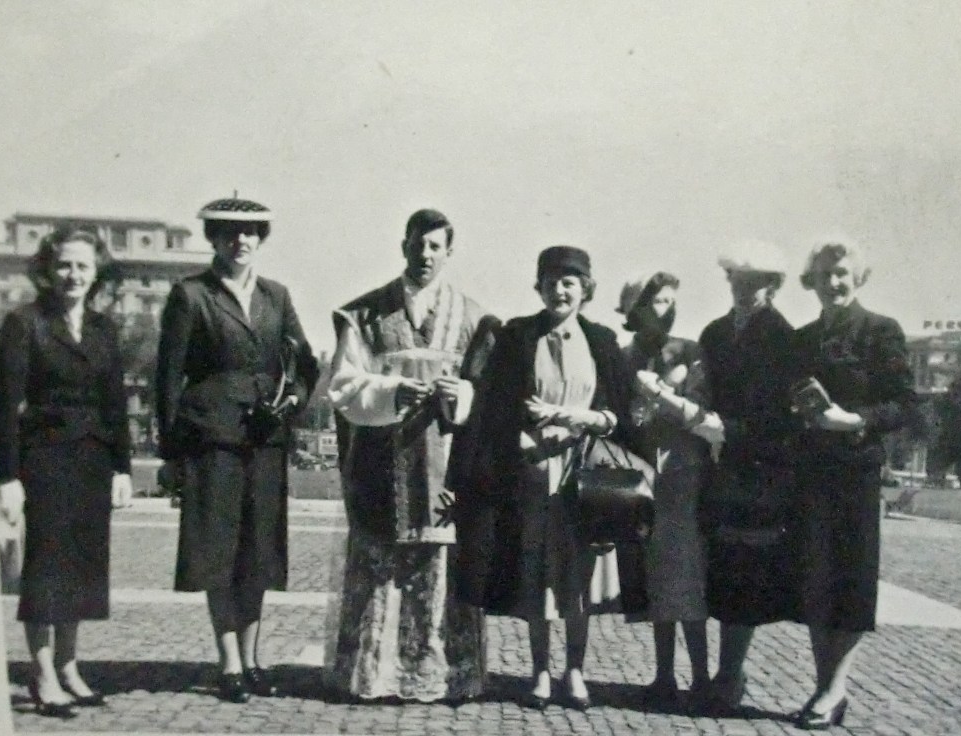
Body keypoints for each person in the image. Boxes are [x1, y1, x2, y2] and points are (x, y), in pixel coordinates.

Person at [452, 245, 644, 711]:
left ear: (585, 289)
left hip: (586, 475)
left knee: (579, 576)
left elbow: (621, 412)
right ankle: (539, 670)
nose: (560, 291)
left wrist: (584, 418)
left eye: (569, 283)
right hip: (534, 473)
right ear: (538, 287)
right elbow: (494, 407)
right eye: (551, 282)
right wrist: (518, 438)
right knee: (536, 575)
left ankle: (575, 670)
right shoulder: (518, 336)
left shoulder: (601, 340)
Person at [324, 208, 492, 703]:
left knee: (439, 561)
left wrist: (462, 395)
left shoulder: (474, 318)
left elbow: (488, 391)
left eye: (435, 246)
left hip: (444, 463)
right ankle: (372, 672)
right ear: (404, 247)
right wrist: (391, 391)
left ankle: (437, 673)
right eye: (418, 244)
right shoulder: (365, 314)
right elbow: (343, 385)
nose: (425, 255)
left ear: (449, 252)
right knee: (379, 556)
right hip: (381, 460)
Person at [155, 197, 317, 703]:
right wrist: (171, 454)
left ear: (261, 239)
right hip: (212, 442)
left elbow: (305, 363)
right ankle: (228, 662)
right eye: (229, 232)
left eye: (249, 233)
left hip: (265, 441)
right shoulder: (191, 295)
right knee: (218, 553)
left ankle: (252, 659)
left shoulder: (276, 295)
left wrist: (292, 401)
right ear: (214, 239)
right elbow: (168, 378)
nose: (240, 241)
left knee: (258, 554)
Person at [0, 226, 132, 718]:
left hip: (93, 460)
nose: (73, 275)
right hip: (44, 461)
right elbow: (5, 406)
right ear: (48, 271)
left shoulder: (103, 328)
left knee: (83, 566)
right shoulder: (25, 323)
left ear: (97, 273)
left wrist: (122, 467)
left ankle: (70, 666)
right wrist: (7, 477)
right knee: (46, 567)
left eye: (83, 266)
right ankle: (43, 674)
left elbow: (115, 404)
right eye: (64, 265)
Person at [791, 239, 914, 729]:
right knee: (817, 583)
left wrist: (856, 419)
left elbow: (904, 404)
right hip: (811, 474)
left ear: (859, 277)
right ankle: (826, 688)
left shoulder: (881, 331)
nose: (833, 282)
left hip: (856, 474)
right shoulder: (802, 338)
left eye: (842, 273)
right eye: (824, 274)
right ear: (812, 281)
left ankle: (832, 687)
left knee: (852, 581)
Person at [691, 240, 803, 713]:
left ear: (772, 286)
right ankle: (712, 674)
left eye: (754, 280)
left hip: (757, 471)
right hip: (714, 466)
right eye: (737, 278)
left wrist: (730, 431)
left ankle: (729, 674)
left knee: (743, 573)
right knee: (714, 568)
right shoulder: (714, 333)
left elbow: (782, 419)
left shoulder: (784, 339)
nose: (743, 287)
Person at [617, 272, 711, 711]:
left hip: (683, 476)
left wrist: (663, 393)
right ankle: (663, 675)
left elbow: (702, 412)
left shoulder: (690, 352)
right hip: (642, 477)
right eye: (658, 301)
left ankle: (701, 677)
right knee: (657, 580)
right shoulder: (623, 357)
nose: (667, 310)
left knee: (686, 578)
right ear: (635, 309)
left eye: (672, 301)